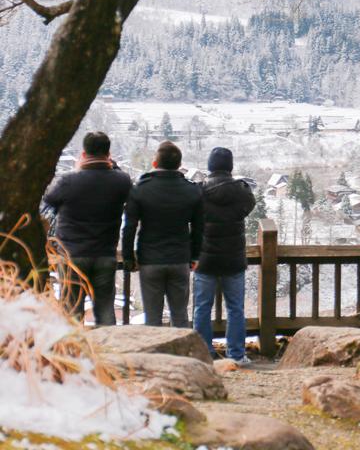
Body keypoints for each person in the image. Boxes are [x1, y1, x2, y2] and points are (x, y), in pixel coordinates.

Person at [42, 131, 131, 325]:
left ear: (83, 154)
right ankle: (110, 353)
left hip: (71, 255)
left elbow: (48, 202)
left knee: (72, 312)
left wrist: (78, 171)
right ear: (109, 154)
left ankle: (75, 354)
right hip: (105, 255)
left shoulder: (68, 181)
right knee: (106, 313)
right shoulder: (121, 181)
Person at [122, 141, 203, 327]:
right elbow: (199, 228)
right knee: (180, 315)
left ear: (155, 163)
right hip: (180, 259)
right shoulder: (191, 191)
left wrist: (128, 257)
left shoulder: (141, 189)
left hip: (150, 259)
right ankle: (182, 354)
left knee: (152, 318)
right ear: (178, 165)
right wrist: (195, 255)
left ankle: (156, 355)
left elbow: (129, 227)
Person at [192, 147, 255, 364]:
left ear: (210, 166)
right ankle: (236, 354)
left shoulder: (199, 192)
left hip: (205, 258)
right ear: (230, 166)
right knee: (235, 308)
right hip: (233, 259)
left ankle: (203, 354)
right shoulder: (242, 191)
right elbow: (249, 206)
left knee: (201, 308)